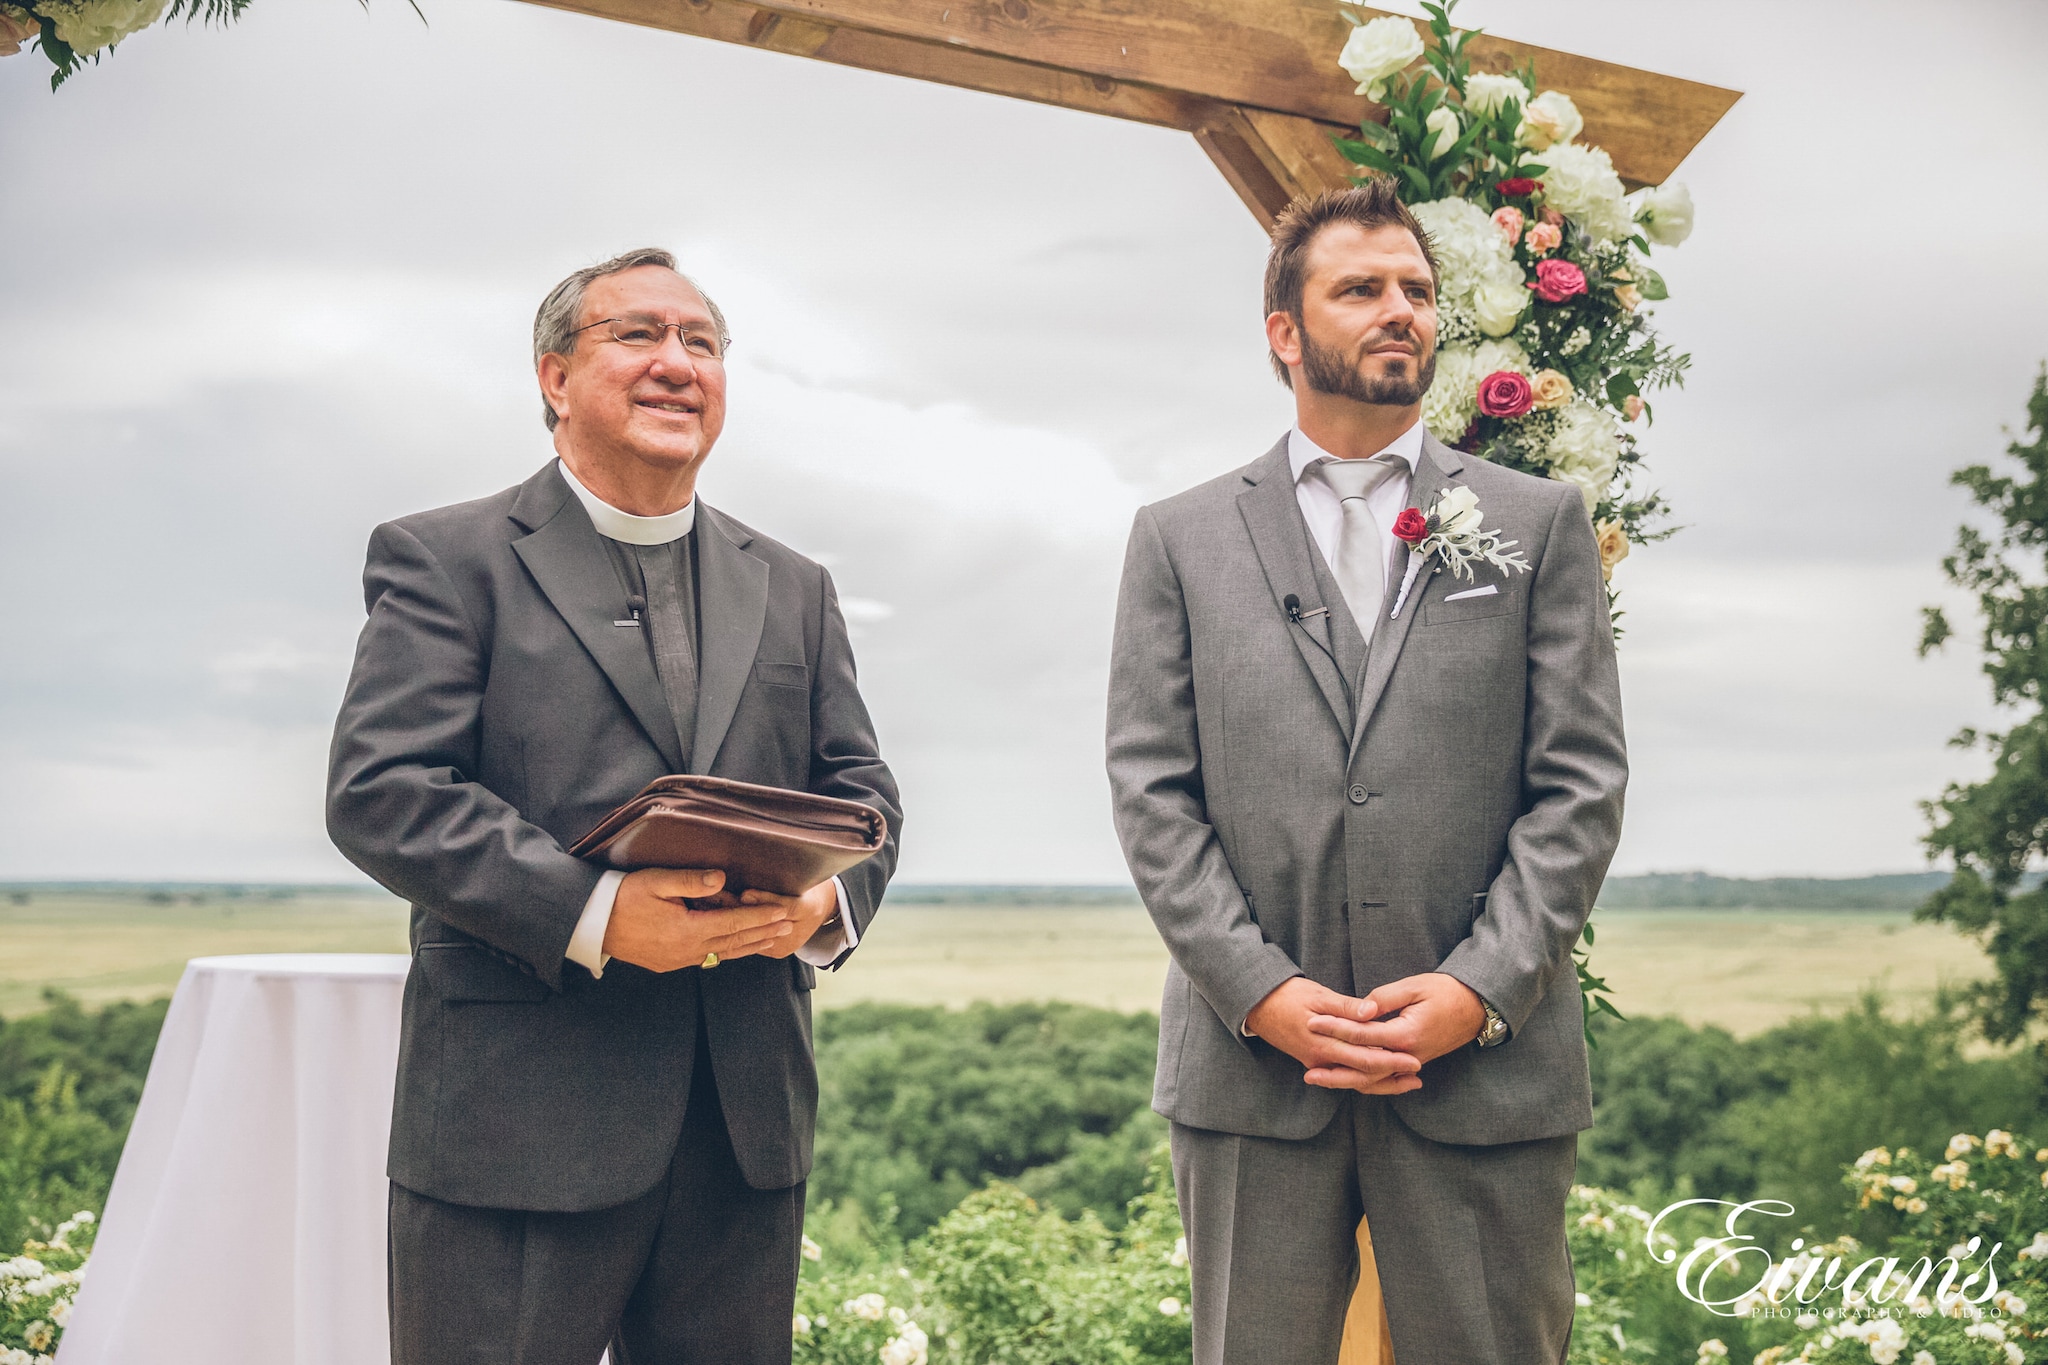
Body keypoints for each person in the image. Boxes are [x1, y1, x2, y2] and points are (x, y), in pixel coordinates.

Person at [327, 247, 901, 1364]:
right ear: (552, 376)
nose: (676, 363)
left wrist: (820, 912)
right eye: (636, 335)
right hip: (515, 1125)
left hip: (743, 1126)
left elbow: (862, 799)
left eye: (701, 343)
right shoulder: (444, 558)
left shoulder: (793, 586)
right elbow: (383, 789)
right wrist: (593, 912)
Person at [1105, 181, 1627, 1365]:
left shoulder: (1535, 523)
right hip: (1251, 1076)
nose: (1400, 310)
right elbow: (1151, 792)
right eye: (1360, 289)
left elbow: (1578, 785)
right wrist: (1263, 992)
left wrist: (1475, 992)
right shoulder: (1177, 538)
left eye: (1418, 291)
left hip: (1482, 1080)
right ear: (1283, 331)